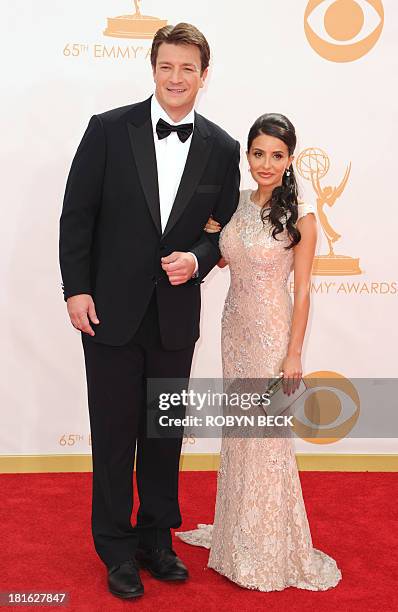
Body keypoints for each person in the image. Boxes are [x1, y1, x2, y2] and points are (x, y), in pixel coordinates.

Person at [59, 23, 240, 600]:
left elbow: (224, 230)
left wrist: (200, 258)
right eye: (167, 66)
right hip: (107, 312)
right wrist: (75, 289)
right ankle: (115, 548)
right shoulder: (109, 129)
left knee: (164, 433)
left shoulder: (223, 147)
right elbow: (77, 216)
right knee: (113, 436)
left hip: (173, 315)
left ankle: (156, 539)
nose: (177, 77)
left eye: (189, 68)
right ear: (153, 67)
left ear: (204, 76)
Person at [176, 114, 342, 592]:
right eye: (257, 153)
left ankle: (268, 544)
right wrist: (215, 232)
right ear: (247, 156)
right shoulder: (239, 205)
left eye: (276, 155)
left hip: (271, 335)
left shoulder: (301, 216)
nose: (265, 164)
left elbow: (305, 290)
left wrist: (293, 355)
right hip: (235, 330)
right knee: (242, 433)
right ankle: (236, 535)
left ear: (290, 160)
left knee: (266, 439)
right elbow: (230, 254)